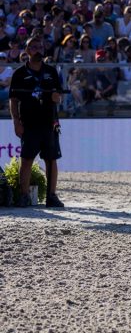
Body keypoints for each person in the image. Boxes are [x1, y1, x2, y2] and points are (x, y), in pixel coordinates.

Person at [8, 34, 65, 208]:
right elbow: (13, 100)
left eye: (40, 47)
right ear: (27, 51)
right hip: (29, 123)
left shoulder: (51, 71)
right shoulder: (19, 73)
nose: (37, 50)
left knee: (51, 160)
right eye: (33, 47)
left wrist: (57, 98)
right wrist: (16, 122)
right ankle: (24, 195)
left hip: (49, 123)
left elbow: (59, 97)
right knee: (26, 159)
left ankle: (52, 196)